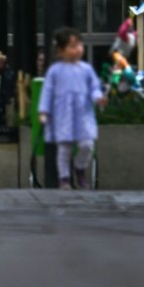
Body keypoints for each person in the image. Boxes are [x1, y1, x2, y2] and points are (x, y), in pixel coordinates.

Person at [39, 28, 106, 190]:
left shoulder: (86, 69)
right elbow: (47, 91)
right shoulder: (55, 71)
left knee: (87, 144)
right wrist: (43, 111)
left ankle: (80, 167)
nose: (78, 49)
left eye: (79, 45)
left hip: (83, 113)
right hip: (63, 114)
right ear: (61, 50)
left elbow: (94, 87)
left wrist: (98, 97)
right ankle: (64, 178)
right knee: (64, 147)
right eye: (72, 46)